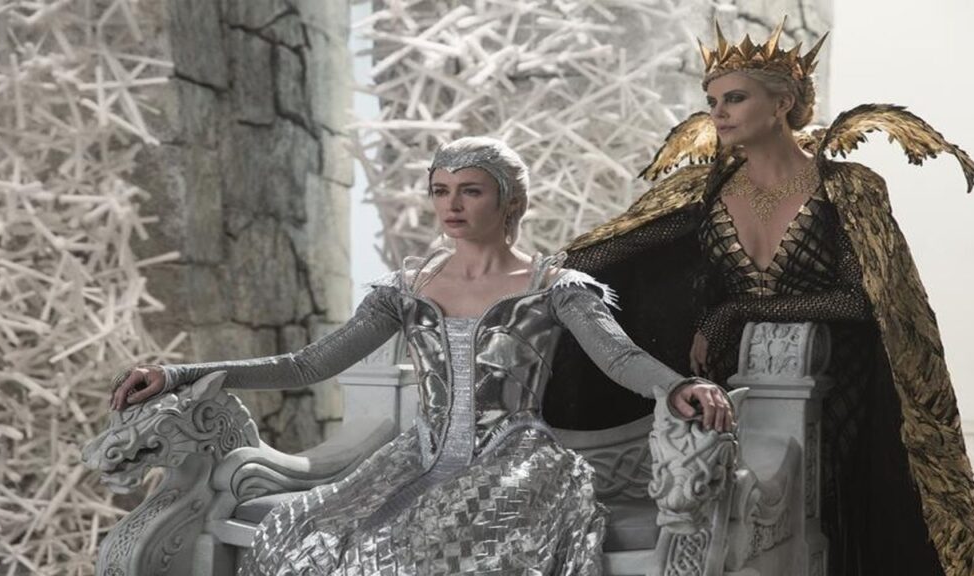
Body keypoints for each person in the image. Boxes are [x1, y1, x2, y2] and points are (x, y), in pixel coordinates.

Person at [110, 136, 734, 575]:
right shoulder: (406, 289)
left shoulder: (555, 286)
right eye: (441, 191)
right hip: (415, 459)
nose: (451, 206)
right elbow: (308, 364)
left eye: (470, 191)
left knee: (434, 548)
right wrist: (179, 373)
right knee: (305, 537)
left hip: (516, 462)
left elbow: (621, 359)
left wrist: (679, 387)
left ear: (510, 202)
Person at [545, 19, 974, 576]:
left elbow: (861, 300)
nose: (718, 113)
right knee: (720, 510)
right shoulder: (702, 191)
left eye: (735, 98)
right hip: (724, 375)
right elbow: (603, 255)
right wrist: (518, 274)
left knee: (829, 517)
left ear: (782, 103)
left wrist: (735, 311)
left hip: (838, 376)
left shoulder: (846, 187)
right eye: (712, 102)